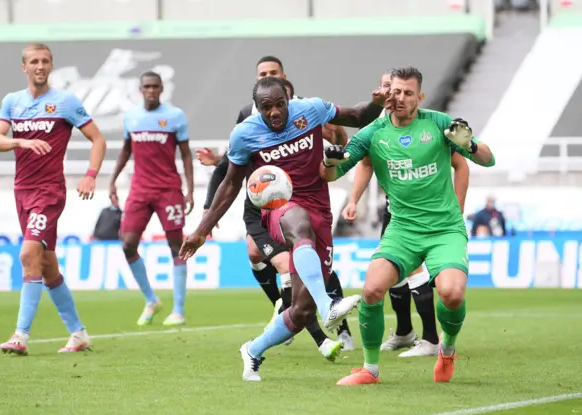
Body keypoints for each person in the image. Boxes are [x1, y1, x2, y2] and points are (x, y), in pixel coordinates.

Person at [180, 76, 387, 381]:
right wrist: (201, 230)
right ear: (257, 108)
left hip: (321, 212)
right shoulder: (245, 133)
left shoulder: (311, 110)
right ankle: (328, 303)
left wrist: (377, 103)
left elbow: (358, 116)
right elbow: (230, 183)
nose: (275, 112)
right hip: (279, 208)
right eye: (267, 107)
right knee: (298, 224)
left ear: (288, 101)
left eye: (279, 104)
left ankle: (252, 350)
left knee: (302, 312)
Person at [320, 66, 495, 385]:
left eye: (407, 93)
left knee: (452, 295)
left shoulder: (438, 123)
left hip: (444, 229)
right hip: (402, 229)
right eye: (395, 91)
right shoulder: (373, 132)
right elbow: (333, 174)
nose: (400, 98)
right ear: (387, 93)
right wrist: (330, 163)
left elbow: (487, 159)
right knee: (372, 289)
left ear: (420, 97)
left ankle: (447, 348)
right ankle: (369, 369)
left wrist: (468, 144)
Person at [197, 57, 355, 358]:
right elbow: (238, 162)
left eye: (272, 74)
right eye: (261, 75)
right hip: (266, 206)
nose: (272, 110)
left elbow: (338, 139)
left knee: (306, 277)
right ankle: (316, 315)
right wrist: (208, 209)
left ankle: (278, 329)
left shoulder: (306, 110)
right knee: (275, 254)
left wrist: (338, 147)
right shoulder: (248, 117)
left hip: (311, 201)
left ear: (285, 80)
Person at [0, 43, 107, 355]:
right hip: (22, 192)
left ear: (51, 66)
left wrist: (91, 174)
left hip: (49, 192)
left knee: (28, 255)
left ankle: (20, 336)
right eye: (34, 61)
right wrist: (21, 141)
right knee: (48, 266)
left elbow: (98, 139)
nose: (40, 66)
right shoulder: (12, 102)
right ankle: (78, 334)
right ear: (24, 67)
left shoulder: (65, 102)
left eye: (45, 61)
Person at [341, 71, 470, 357]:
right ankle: (403, 332)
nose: (393, 94)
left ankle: (432, 338)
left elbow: (463, 163)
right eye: (388, 88)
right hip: (398, 215)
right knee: (386, 283)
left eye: (400, 89)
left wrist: (457, 211)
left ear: (415, 95)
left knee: (427, 281)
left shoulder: (433, 127)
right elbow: (362, 164)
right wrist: (353, 200)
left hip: (438, 221)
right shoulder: (375, 129)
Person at [109, 71, 194, 327]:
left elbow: (186, 155)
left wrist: (190, 190)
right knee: (127, 244)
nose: (151, 91)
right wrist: (112, 180)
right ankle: (151, 299)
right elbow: (126, 150)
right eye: (147, 86)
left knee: (176, 245)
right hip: (139, 190)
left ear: (161, 88)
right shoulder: (131, 117)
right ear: (140, 89)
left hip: (169, 189)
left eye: (155, 86)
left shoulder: (175, 116)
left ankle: (178, 310)